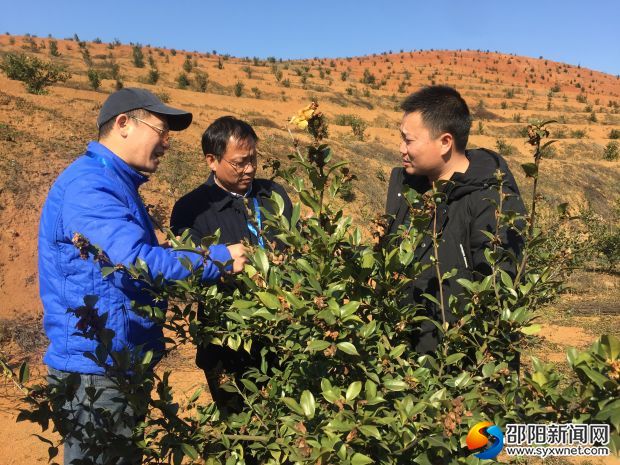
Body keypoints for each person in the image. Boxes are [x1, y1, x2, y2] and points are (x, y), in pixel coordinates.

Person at [38, 88, 247, 464]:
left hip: (116, 361)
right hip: (97, 368)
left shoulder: (114, 184)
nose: (166, 144)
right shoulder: (91, 185)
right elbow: (136, 262)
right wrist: (218, 260)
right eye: (161, 131)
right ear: (123, 125)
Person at [385, 85, 526, 354]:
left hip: (460, 371)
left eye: (409, 140)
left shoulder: (493, 203)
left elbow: (498, 301)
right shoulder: (408, 189)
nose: (401, 148)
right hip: (404, 366)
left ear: (445, 142)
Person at [170, 116, 292, 414]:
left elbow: (295, 247)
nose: (249, 169)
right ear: (212, 161)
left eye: (253, 159)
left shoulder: (273, 195)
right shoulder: (191, 210)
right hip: (228, 348)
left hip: (285, 340)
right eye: (240, 162)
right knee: (242, 431)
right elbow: (190, 275)